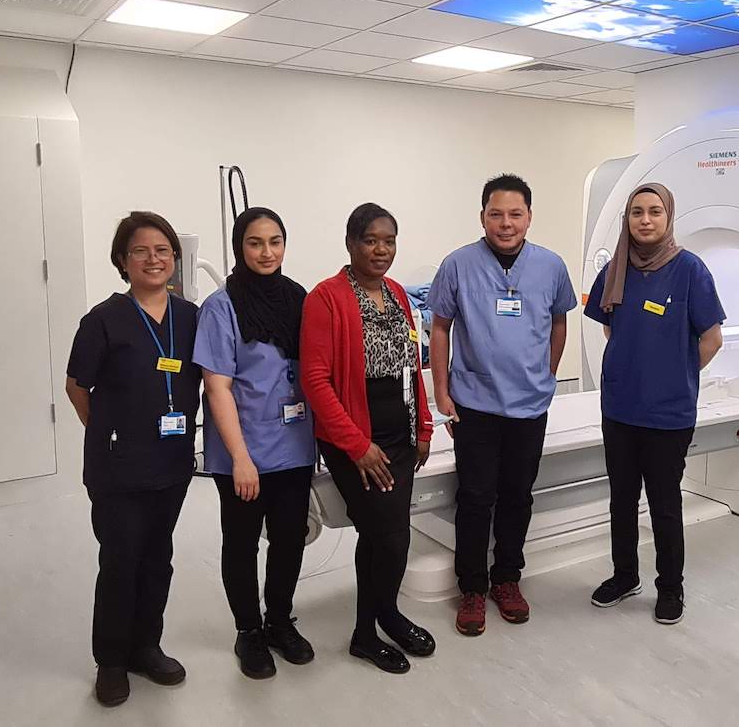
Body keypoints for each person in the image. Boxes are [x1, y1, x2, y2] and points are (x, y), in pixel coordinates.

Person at [429, 174, 578, 637]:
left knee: (518, 496)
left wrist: (547, 376)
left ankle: (507, 579)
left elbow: (559, 323)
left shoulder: (550, 267)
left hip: (529, 406)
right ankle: (471, 588)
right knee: (474, 498)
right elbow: (439, 329)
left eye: (515, 214)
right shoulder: (457, 265)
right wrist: (441, 390)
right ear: (482, 217)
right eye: (496, 214)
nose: (506, 223)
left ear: (530, 217)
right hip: (475, 403)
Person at [65, 211, 201, 706]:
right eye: (141, 251)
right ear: (122, 260)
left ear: (174, 258)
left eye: (162, 250)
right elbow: (77, 387)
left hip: (172, 462)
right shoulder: (102, 320)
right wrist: (110, 435)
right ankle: (112, 662)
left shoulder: (190, 317)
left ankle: (147, 646)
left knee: (158, 557)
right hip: (118, 470)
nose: (153, 259)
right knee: (121, 561)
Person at [300, 203, 435, 674]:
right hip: (353, 441)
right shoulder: (327, 298)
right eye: (371, 240)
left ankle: (385, 616)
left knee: (387, 538)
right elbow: (315, 380)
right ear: (351, 243)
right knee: (388, 535)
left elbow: (411, 366)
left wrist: (423, 426)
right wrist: (356, 445)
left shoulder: (398, 293)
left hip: (399, 438)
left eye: (389, 240)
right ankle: (366, 632)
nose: (381, 250)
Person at [582, 183, 724, 626]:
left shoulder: (690, 270)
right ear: (627, 219)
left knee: (664, 503)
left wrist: (673, 374)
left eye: (655, 211)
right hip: (620, 408)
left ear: (669, 217)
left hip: (668, 414)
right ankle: (625, 575)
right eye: (637, 212)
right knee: (621, 500)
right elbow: (612, 330)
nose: (645, 220)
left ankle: (670, 587)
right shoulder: (614, 270)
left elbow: (712, 338)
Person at [193, 207, 316, 680]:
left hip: (295, 447)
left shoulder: (299, 300)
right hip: (242, 452)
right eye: (255, 243)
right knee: (242, 543)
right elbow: (217, 386)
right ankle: (248, 631)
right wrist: (241, 458)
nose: (267, 252)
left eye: (275, 242)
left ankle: (280, 621)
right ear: (239, 247)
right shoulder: (222, 307)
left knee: (290, 539)